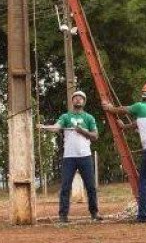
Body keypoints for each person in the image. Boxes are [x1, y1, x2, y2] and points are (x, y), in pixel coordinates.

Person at [103, 82, 146, 223]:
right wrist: (126, 126)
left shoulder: (140, 106)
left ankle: (144, 216)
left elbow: (123, 109)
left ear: (143, 95)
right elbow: (140, 122)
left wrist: (110, 108)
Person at [38, 90, 103, 223]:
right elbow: (56, 128)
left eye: (81, 98)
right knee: (66, 187)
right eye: (76, 98)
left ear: (84, 102)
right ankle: (63, 215)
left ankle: (94, 213)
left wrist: (82, 130)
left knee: (91, 186)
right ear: (72, 101)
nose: (78, 100)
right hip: (69, 157)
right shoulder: (65, 117)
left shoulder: (89, 118)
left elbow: (95, 136)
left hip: (85, 156)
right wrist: (44, 127)